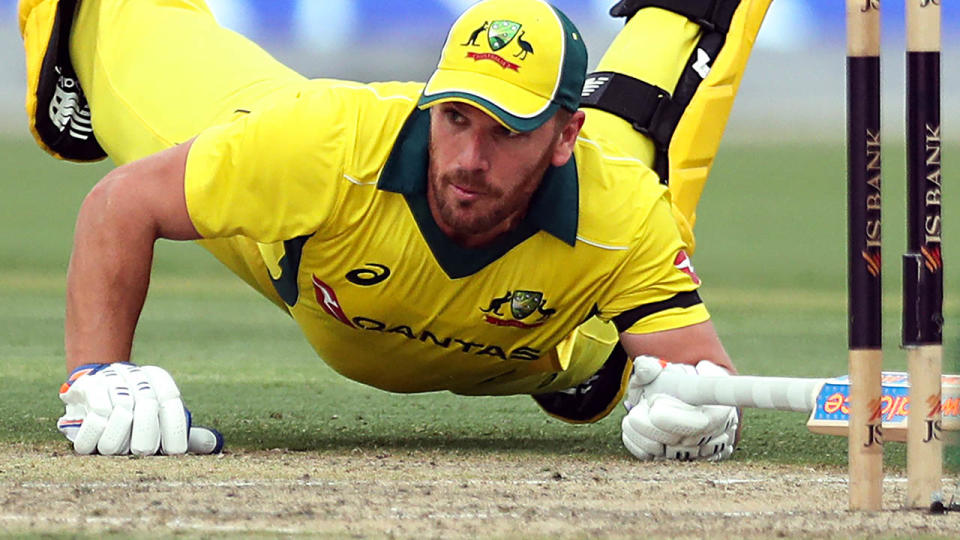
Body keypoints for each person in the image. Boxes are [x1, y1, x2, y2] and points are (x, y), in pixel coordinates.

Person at [19, 0, 771, 459]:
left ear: (563, 137)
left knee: (640, 134)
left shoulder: (622, 210)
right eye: (454, 117)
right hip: (297, 247)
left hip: (561, 343)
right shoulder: (322, 143)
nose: (468, 160)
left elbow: (708, 380)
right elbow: (118, 204)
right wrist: (97, 376)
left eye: (507, 130)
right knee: (117, 24)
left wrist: (704, 422)